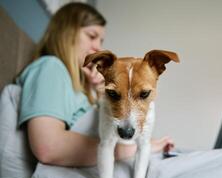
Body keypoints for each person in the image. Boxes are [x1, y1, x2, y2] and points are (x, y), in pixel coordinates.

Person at [16, 2, 174, 167]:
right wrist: (139, 148)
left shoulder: (77, 80)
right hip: (95, 167)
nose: (98, 46)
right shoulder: (50, 67)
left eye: (101, 40)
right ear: (66, 33)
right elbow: (48, 147)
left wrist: (96, 91)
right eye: (92, 36)